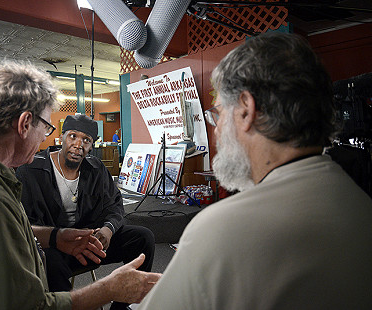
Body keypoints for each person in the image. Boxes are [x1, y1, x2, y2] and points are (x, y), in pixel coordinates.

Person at [138, 32, 372, 309]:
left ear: (247, 110)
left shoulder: (221, 228)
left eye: (220, 113)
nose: (217, 132)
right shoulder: (362, 204)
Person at [0, 61, 160, 310]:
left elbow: (10, 231)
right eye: (47, 127)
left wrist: (55, 236)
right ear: (25, 123)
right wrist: (108, 289)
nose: (45, 137)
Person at [15, 114, 155, 310]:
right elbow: (24, 224)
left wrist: (108, 230)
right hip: (54, 248)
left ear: (92, 146)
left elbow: (115, 205)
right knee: (51, 262)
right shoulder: (31, 170)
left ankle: (121, 308)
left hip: (90, 244)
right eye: (73, 136)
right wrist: (57, 238)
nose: (78, 144)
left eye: (86, 140)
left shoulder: (96, 169)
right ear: (62, 137)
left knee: (143, 238)